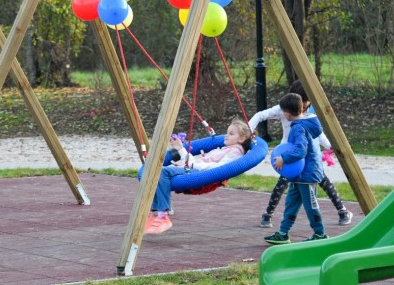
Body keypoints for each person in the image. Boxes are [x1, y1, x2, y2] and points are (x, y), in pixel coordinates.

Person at [249, 80, 353, 229]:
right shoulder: (285, 109)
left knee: (321, 178)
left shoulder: (309, 113)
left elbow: (318, 134)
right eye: (302, 101)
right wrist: (249, 130)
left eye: (306, 101)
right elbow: (260, 115)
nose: (303, 105)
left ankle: (342, 211)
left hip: (308, 155)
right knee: (283, 182)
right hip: (290, 154)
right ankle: (268, 215)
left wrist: (330, 146)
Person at [145, 119, 252, 235]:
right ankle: (154, 212)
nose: (226, 136)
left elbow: (219, 168)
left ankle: (162, 216)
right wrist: (180, 148)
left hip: (200, 174)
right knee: (155, 173)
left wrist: (193, 164)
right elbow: (193, 162)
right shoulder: (225, 149)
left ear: (241, 139)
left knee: (162, 172)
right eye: (227, 132)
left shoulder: (235, 152)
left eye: (231, 134)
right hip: (195, 169)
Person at [264, 93, 328, 244]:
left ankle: (320, 233)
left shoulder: (298, 128)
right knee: (291, 203)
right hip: (298, 175)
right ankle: (283, 233)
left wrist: (283, 159)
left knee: (310, 205)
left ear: (286, 113)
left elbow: (300, 150)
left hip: (307, 174)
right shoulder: (306, 122)